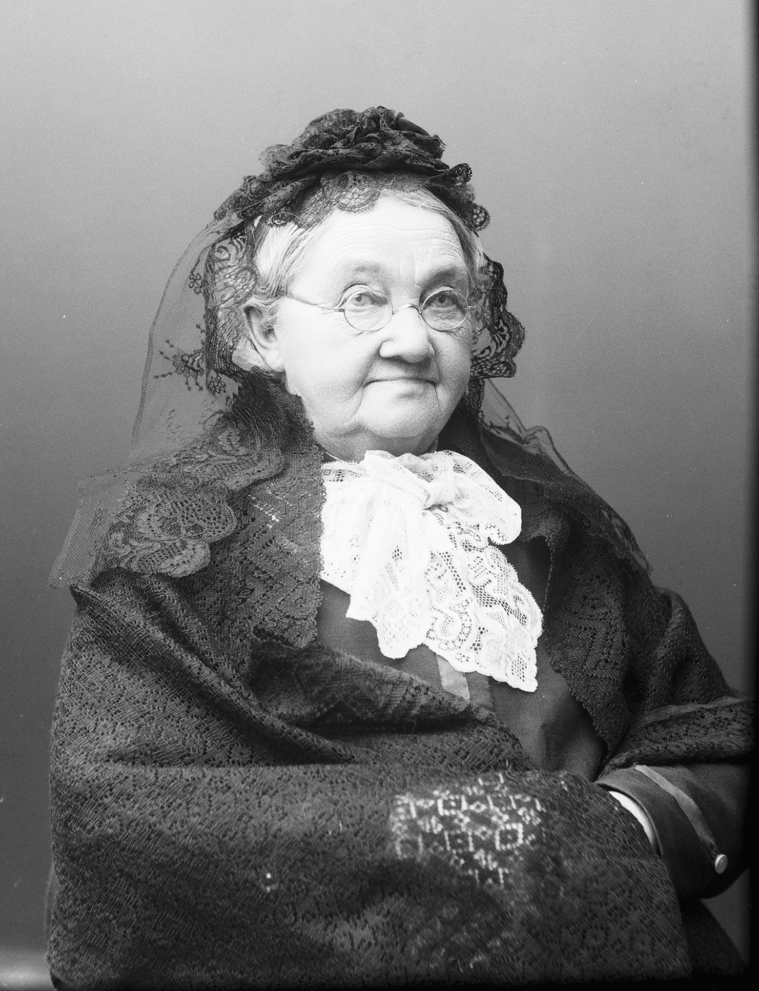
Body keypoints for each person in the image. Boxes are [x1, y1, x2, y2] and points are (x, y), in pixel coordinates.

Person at [47, 108, 750, 988]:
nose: (414, 342)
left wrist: (632, 826)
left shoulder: (554, 533)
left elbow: (708, 735)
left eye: (442, 300)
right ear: (261, 332)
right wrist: (521, 838)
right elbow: (126, 821)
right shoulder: (178, 551)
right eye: (362, 299)